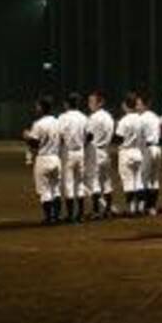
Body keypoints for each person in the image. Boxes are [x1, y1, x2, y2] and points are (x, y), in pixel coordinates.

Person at [23, 95, 62, 224]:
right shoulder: (57, 122)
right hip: (56, 158)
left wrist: (27, 137)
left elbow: (34, 144)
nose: (36, 108)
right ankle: (57, 217)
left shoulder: (38, 124)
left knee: (45, 191)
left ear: (41, 108)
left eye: (37, 106)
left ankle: (48, 218)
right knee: (56, 189)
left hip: (43, 159)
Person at [58, 92, 89, 223]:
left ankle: (70, 215)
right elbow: (89, 135)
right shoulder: (84, 117)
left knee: (69, 184)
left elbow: (59, 136)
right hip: (81, 152)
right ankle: (80, 214)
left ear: (66, 104)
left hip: (68, 152)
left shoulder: (63, 117)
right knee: (80, 183)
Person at [114, 92, 144, 216]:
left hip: (126, 152)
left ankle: (132, 209)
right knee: (139, 180)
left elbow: (118, 139)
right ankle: (141, 207)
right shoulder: (140, 119)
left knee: (128, 181)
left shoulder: (124, 120)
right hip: (138, 151)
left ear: (125, 105)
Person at [85, 91, 115, 219]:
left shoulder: (93, 118)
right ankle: (108, 210)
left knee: (94, 182)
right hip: (106, 151)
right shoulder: (109, 117)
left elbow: (88, 136)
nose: (89, 104)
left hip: (95, 151)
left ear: (100, 103)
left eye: (92, 101)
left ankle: (96, 211)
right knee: (106, 181)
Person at [136, 92, 162, 216]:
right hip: (157, 148)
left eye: (139, 104)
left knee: (144, 179)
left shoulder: (141, 118)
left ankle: (145, 206)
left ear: (145, 105)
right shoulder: (155, 117)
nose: (137, 107)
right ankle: (153, 207)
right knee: (155, 179)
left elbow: (139, 137)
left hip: (147, 149)